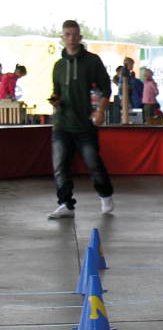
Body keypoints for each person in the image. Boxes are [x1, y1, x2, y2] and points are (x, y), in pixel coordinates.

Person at [47, 20, 114, 219]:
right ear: (62, 37)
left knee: (93, 163)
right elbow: (57, 91)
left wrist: (101, 111)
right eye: (67, 34)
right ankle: (66, 203)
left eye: (75, 34)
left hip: (85, 123)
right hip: (61, 123)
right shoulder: (58, 66)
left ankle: (105, 194)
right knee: (60, 166)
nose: (71, 38)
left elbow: (106, 87)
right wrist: (55, 101)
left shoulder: (92, 61)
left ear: (81, 37)